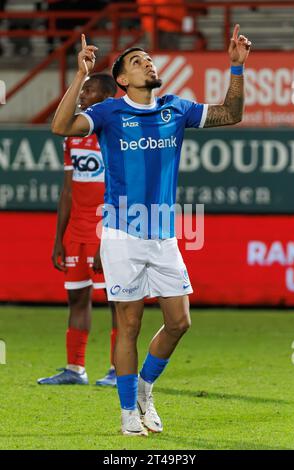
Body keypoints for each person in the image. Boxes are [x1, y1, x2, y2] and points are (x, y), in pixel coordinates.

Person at [51, 25, 251, 435]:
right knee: (129, 325)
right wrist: (80, 76)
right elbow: (60, 126)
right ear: (123, 79)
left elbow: (231, 113)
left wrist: (235, 68)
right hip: (122, 235)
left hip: (163, 236)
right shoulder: (108, 112)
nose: (148, 62)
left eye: (149, 59)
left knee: (180, 322)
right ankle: (127, 415)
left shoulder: (176, 108)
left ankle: (144, 388)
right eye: (137, 61)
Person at [38, 73, 118, 387]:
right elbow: (68, 189)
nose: (82, 95)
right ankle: (75, 368)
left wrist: (105, 236)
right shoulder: (73, 136)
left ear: (107, 97)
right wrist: (59, 237)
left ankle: (117, 369)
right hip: (77, 230)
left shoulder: (112, 134)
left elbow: (118, 189)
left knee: (117, 300)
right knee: (77, 298)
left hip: (107, 228)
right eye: (82, 89)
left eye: (89, 90)